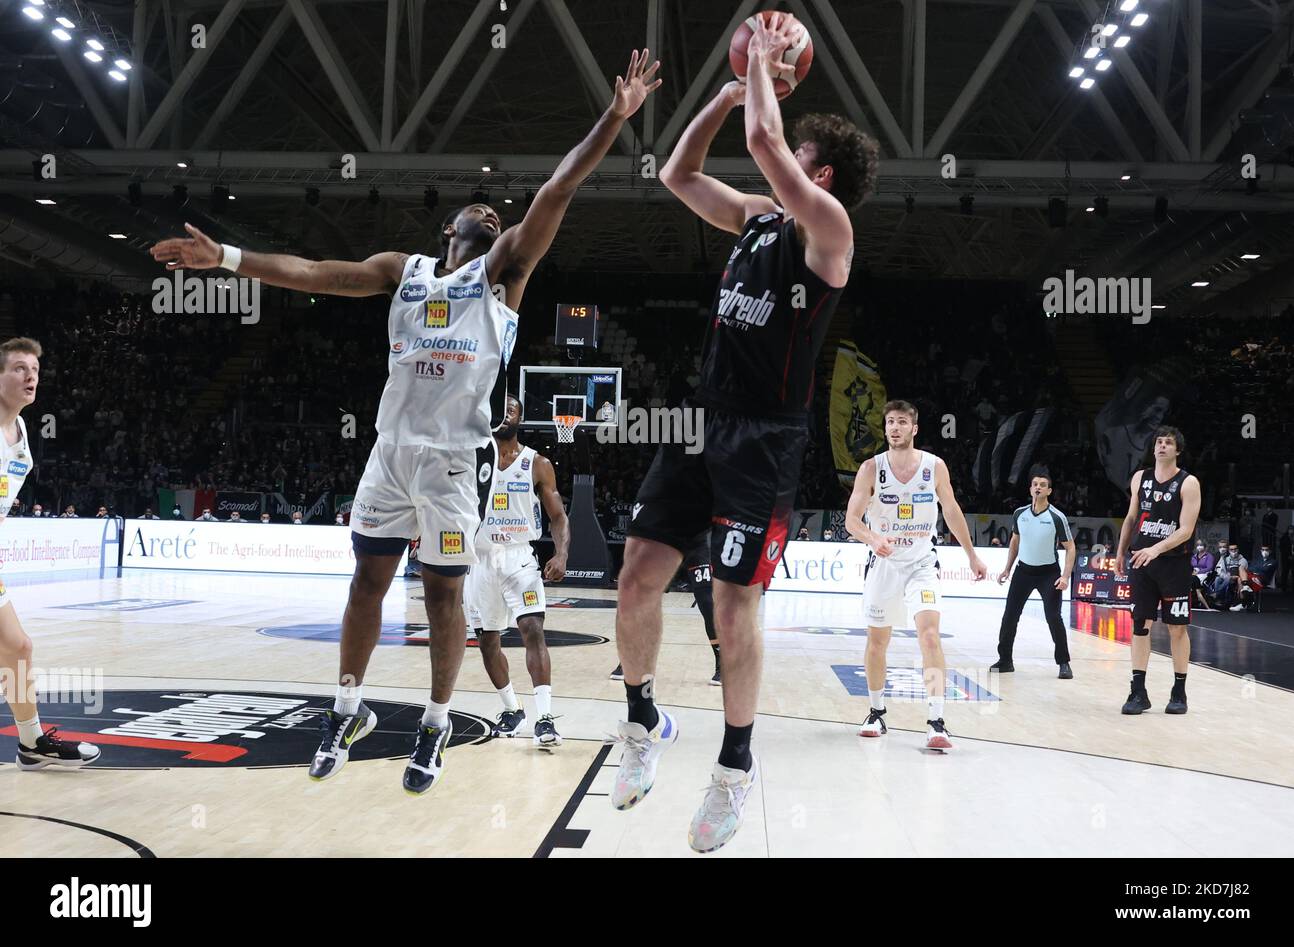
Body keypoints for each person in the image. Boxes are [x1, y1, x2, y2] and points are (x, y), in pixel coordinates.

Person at [152, 49, 659, 796]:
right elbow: (317, 272)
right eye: (476, 211)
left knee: (445, 594)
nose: (489, 214)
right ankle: (347, 707)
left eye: (497, 214)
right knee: (366, 583)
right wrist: (227, 257)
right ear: (448, 226)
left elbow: (558, 189)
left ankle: (435, 721)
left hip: (457, 460)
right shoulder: (406, 269)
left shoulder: (505, 274)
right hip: (390, 453)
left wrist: (613, 118)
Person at [611, 14, 877, 853]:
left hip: (766, 440)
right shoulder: (761, 218)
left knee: (733, 605)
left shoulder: (828, 231)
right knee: (636, 575)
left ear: (822, 173)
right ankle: (642, 720)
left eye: (799, 154)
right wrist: (727, 92)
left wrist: (760, 67)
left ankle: (733, 769)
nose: (781, 154)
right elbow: (679, 173)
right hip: (701, 422)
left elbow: (766, 138)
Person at [846, 400, 988, 749]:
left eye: (901, 422)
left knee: (929, 636)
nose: (894, 428)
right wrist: (873, 537)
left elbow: (952, 511)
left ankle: (937, 721)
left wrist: (972, 556)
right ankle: (877, 712)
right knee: (877, 641)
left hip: (922, 563)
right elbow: (851, 520)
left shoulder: (934, 467)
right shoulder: (870, 468)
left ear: (914, 428)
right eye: (890, 422)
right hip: (883, 564)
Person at [0, 338, 100, 770]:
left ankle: (31, 744)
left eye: (35, 370)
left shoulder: (20, 432)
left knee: (17, 648)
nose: (31, 376)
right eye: (19, 368)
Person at [466, 395, 571, 748]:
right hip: (480, 559)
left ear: (521, 418)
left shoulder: (537, 463)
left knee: (532, 629)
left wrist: (561, 554)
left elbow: (558, 516)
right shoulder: (473, 458)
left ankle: (544, 717)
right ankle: (512, 709)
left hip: (519, 557)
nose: (506, 413)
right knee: (487, 641)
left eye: (512, 408)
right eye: (502, 407)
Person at [1115, 427, 1202, 715]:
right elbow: (1130, 519)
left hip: (1174, 564)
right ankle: (1138, 692)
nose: (1162, 446)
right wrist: (1119, 552)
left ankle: (1180, 691)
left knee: (1177, 628)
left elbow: (1186, 530)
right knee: (1140, 626)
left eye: (1169, 443)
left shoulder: (1188, 483)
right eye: (1159, 442)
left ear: (1178, 450)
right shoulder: (1140, 478)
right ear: (1153, 448)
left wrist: (1156, 549)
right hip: (1141, 562)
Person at [990, 466, 1075, 678]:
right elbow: (1015, 541)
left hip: (1049, 574)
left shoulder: (1057, 517)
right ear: (1030, 489)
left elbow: (1071, 547)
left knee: (1054, 617)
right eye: (1035, 484)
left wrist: (1065, 576)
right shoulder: (1019, 513)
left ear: (1049, 491)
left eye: (1043, 485)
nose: (1038, 487)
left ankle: (1064, 663)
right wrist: (1007, 568)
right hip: (1023, 572)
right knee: (1010, 616)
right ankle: (1005, 660)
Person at [611, 535, 719, 686]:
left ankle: (722, 663)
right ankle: (629, 661)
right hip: (665, 539)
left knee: (706, 602)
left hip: (696, 540)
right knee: (642, 601)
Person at [1210, 543, 1247, 609]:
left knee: (1227, 579)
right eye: (1231, 549)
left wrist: (1235, 576)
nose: (1233, 551)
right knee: (1218, 579)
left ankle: (1216, 595)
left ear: (1238, 550)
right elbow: (1221, 571)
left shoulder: (1242, 560)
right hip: (1227, 576)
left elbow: (1243, 571)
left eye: (1235, 549)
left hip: (1237, 577)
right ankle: (1219, 599)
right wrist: (1224, 576)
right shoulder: (1225, 559)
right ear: (1229, 551)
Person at [1191, 539, 1215, 609]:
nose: (1199, 547)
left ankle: (1198, 597)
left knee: (1196, 580)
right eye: (1198, 545)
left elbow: (1209, 567)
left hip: (1204, 573)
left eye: (1201, 545)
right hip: (1193, 572)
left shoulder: (1209, 556)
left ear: (1205, 546)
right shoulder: (1194, 556)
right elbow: (1191, 566)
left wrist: (1198, 572)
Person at [1280, 525, 1294, 593]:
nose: (1291, 531)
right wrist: (1288, 555)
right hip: (1286, 558)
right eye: (1290, 529)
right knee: (1285, 572)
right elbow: (1282, 549)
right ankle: (1283, 587)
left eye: (1292, 529)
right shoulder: (1284, 538)